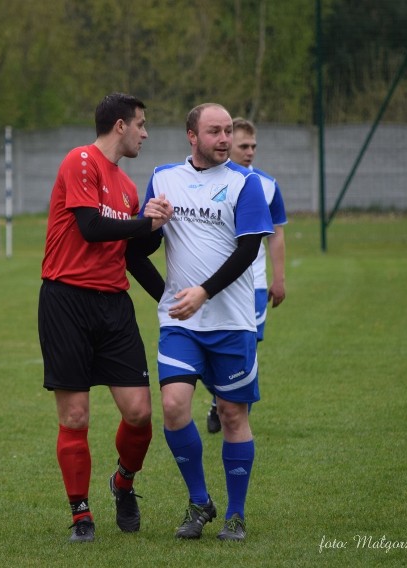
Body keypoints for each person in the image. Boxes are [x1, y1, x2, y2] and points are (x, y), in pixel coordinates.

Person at [131, 103, 273, 542]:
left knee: (232, 415)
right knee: (173, 406)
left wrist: (203, 293)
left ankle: (235, 514)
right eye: (215, 131)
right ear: (192, 136)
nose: (225, 139)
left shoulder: (245, 184)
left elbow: (248, 250)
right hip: (182, 325)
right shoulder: (164, 178)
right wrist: (151, 228)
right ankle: (198, 501)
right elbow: (137, 252)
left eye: (228, 130)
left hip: (231, 321)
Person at [38, 92, 173, 543]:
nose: (145, 133)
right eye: (141, 124)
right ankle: (81, 515)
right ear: (120, 125)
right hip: (66, 302)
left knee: (139, 414)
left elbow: (132, 256)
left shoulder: (129, 187)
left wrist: (170, 298)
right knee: (75, 417)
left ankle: (123, 484)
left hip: (114, 307)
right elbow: (91, 228)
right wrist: (143, 224)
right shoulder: (81, 160)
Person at [206, 117, 287, 434]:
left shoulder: (267, 184)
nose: (250, 151)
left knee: (247, 344)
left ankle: (234, 413)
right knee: (213, 346)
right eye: (244, 146)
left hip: (251, 283)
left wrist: (277, 277)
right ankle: (219, 399)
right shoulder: (208, 181)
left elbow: (276, 233)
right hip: (212, 283)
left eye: (253, 146)